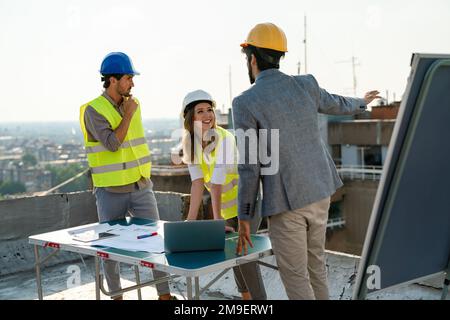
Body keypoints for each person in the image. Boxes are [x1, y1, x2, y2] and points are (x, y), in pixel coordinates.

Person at [232, 23, 381, 300]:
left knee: (296, 277)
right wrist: (361, 102)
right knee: (316, 268)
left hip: (287, 203)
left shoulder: (245, 102)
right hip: (320, 191)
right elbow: (335, 102)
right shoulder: (306, 84)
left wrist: (245, 217)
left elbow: (249, 167)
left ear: (252, 58)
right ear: (279, 57)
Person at [79, 52, 175, 300]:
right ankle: (117, 297)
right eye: (128, 77)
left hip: (141, 186)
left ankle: (164, 295)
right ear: (112, 80)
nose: (132, 83)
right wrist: (128, 114)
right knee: (110, 249)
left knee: (155, 243)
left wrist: (129, 111)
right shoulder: (93, 110)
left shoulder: (133, 103)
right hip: (111, 192)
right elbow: (112, 144)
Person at [180, 89, 267, 300]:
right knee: (234, 255)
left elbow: (217, 183)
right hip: (228, 206)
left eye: (209, 110)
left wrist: (217, 220)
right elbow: (198, 184)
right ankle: (246, 299)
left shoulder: (225, 139)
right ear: (190, 117)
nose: (207, 115)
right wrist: (189, 222)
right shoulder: (190, 143)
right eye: (200, 111)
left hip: (249, 201)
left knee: (244, 254)